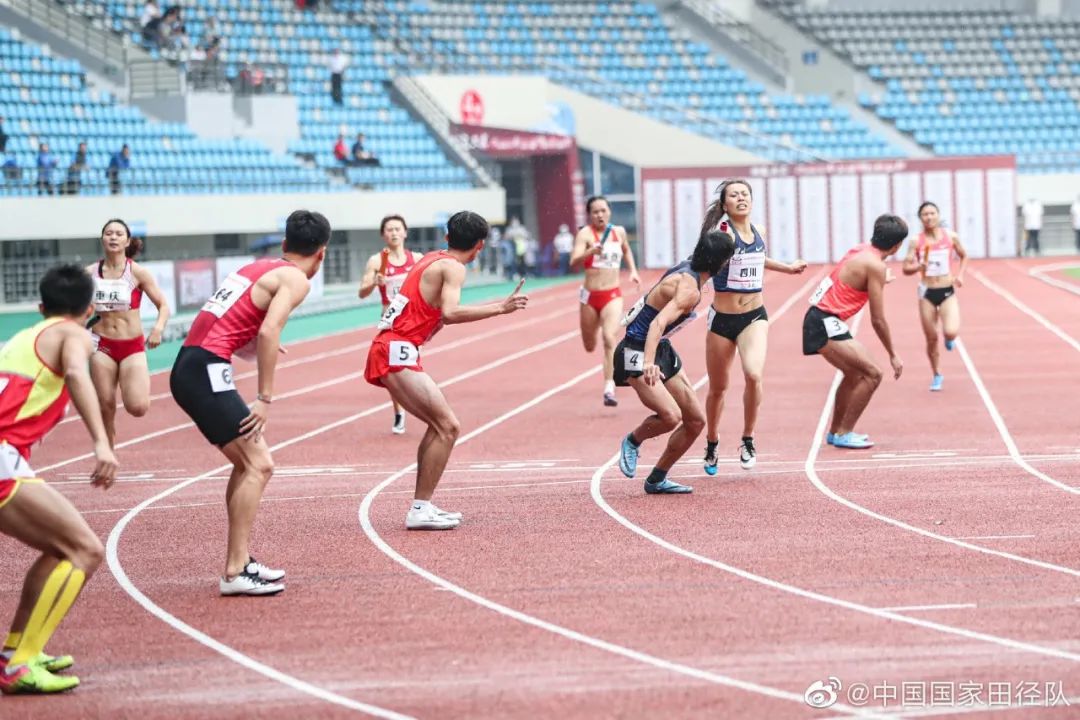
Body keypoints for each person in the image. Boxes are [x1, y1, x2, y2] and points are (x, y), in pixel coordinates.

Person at [169, 210, 330, 596]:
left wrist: (252, 344)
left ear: (285, 244)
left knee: (247, 465)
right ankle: (234, 571)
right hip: (204, 370)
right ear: (321, 254)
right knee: (260, 464)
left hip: (193, 364)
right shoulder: (295, 279)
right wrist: (264, 398)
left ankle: (240, 560)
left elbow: (226, 323)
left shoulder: (255, 268)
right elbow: (270, 331)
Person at [363, 211, 528, 530]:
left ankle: (422, 506)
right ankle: (419, 509)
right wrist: (500, 308)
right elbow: (450, 313)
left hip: (394, 347)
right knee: (448, 427)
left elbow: (434, 312)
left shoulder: (431, 258)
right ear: (480, 246)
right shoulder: (453, 268)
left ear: (447, 237)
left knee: (439, 426)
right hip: (396, 350)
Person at [0, 265, 118, 694]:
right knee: (85, 550)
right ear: (89, 310)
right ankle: (19, 666)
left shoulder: (22, 337)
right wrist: (102, 443)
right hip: (3, 458)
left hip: (8, 458)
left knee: (58, 549)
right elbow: (75, 373)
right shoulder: (74, 334)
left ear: (40, 307)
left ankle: (15, 651)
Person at [615, 229, 735, 494]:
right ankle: (633, 441)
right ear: (719, 263)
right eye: (728, 259)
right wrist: (648, 363)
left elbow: (707, 237)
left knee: (695, 421)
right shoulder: (689, 290)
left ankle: (657, 478)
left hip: (661, 347)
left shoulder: (693, 264)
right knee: (670, 416)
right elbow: (658, 323)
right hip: (637, 349)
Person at [699, 180, 807, 474]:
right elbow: (701, 266)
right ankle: (712, 441)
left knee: (754, 374)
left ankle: (748, 438)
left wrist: (788, 267)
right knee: (718, 389)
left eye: (744, 194)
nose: (740, 198)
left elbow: (758, 258)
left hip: (753, 317)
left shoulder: (759, 230)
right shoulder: (721, 235)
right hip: (722, 321)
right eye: (734, 195)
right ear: (725, 205)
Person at [802, 214, 907, 449]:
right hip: (824, 321)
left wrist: (879, 280)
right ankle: (844, 432)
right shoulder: (876, 266)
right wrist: (892, 353)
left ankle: (835, 433)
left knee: (853, 374)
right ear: (897, 246)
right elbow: (878, 320)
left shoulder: (860, 250)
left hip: (819, 318)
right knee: (873, 374)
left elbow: (854, 276)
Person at [84, 220, 170, 448]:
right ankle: (107, 450)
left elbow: (163, 305)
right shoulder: (89, 273)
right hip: (101, 344)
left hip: (131, 346)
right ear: (102, 239)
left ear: (127, 241)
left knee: (138, 406)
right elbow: (76, 307)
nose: (113, 237)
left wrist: (158, 328)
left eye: (118, 234)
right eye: (108, 233)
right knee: (105, 403)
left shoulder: (137, 272)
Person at [569, 196, 641, 407]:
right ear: (589, 215)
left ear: (609, 212)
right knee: (590, 345)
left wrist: (633, 271)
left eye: (603, 210)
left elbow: (626, 249)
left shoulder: (618, 232)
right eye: (595, 212)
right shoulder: (585, 234)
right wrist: (590, 251)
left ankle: (609, 387)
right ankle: (593, 335)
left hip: (612, 295)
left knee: (609, 338)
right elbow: (573, 261)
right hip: (590, 297)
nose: (600, 215)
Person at [358, 214, 423, 434]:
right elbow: (362, 292)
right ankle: (399, 412)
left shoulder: (416, 259)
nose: (394, 233)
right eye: (389, 230)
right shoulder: (377, 261)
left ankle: (418, 407)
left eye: (397, 229)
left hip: (414, 322)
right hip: (391, 322)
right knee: (394, 371)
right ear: (383, 235)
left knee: (412, 369)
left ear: (405, 232)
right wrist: (374, 283)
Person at [901, 202, 968, 392]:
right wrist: (918, 266)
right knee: (931, 338)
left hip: (946, 290)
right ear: (920, 218)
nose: (929, 217)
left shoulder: (951, 237)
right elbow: (905, 268)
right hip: (927, 293)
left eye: (932, 213)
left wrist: (961, 275)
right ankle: (937, 374)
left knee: (951, 331)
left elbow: (964, 255)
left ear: (938, 215)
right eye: (925, 214)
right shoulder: (916, 241)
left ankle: (949, 338)